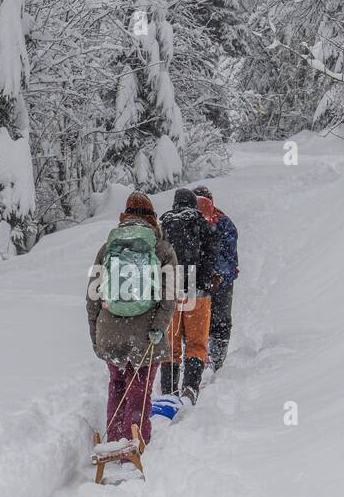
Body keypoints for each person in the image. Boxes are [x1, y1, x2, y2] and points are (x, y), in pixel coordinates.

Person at [86, 192, 179, 444]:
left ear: (125, 215)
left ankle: (115, 441)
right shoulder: (162, 249)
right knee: (140, 390)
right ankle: (134, 446)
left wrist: (95, 334)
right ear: (152, 217)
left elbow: (93, 295)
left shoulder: (107, 249)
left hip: (109, 331)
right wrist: (158, 328)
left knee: (117, 385)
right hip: (145, 333)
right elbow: (169, 297)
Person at [158, 188, 218, 403]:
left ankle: (168, 391)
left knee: (170, 345)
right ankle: (191, 387)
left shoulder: (163, 222)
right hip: (197, 290)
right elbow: (212, 253)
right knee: (196, 343)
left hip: (171, 289)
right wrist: (204, 280)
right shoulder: (201, 222)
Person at [194, 185, 238, 372]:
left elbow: (229, 257)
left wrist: (215, 273)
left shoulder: (223, 224)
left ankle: (216, 363)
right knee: (206, 321)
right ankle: (201, 359)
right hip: (202, 280)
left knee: (216, 321)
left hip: (218, 281)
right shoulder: (221, 223)